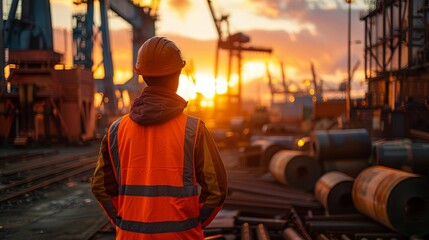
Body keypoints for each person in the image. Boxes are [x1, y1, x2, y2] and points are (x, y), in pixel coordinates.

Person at [91, 36, 228, 239]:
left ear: (143, 75)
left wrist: (123, 221)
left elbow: (100, 186)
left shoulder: (116, 131)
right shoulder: (194, 130)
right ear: (177, 75)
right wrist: (192, 222)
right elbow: (216, 189)